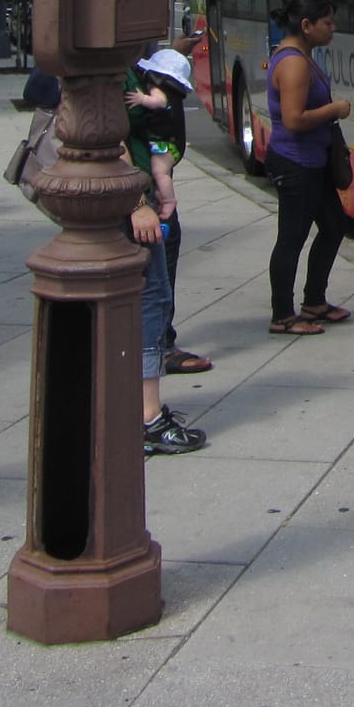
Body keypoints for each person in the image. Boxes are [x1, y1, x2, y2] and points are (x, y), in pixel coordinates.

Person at [123, 48, 209, 454]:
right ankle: (148, 419)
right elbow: (110, 137)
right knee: (152, 302)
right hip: (135, 206)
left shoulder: (120, 68)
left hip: (139, 201)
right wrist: (139, 203)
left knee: (149, 302)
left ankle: (140, 413)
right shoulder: (116, 74)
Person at [263, 0, 354, 335]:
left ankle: (314, 300)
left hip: (312, 162)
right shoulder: (294, 63)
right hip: (294, 163)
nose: (333, 29)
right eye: (327, 22)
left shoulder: (304, 55)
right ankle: (283, 315)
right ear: (306, 25)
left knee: (333, 226)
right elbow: (293, 119)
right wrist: (335, 109)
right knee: (292, 237)